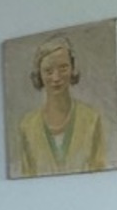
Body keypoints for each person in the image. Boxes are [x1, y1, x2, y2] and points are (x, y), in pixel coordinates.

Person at [17, 34, 106, 178]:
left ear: (72, 69)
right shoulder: (27, 126)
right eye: (48, 71)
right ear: (39, 75)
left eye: (63, 68)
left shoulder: (91, 119)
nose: (56, 78)